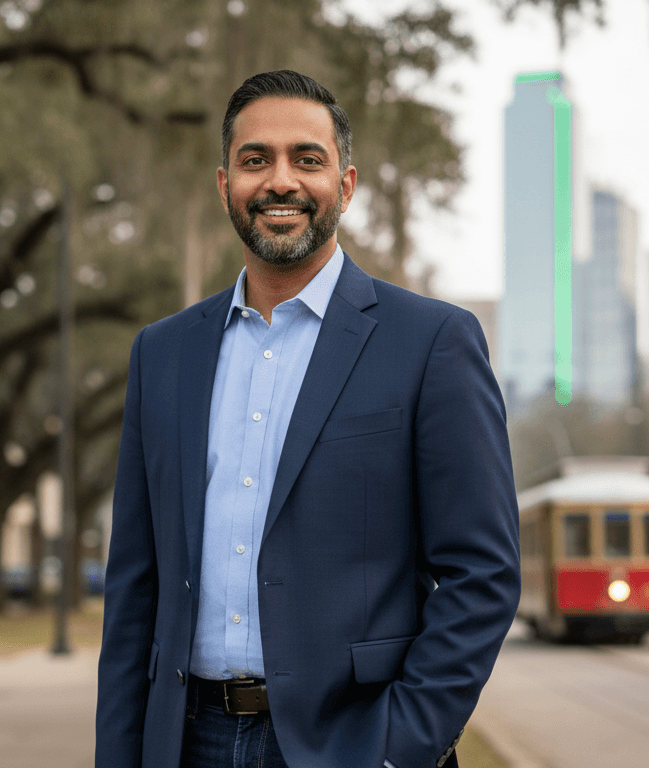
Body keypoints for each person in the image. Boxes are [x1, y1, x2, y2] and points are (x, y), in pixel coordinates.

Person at [96, 69, 520, 768]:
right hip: (184, 742)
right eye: (255, 160)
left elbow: (484, 573)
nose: (280, 181)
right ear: (224, 183)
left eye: (307, 159)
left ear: (345, 186)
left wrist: (398, 745)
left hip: (349, 743)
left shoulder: (431, 342)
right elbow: (133, 586)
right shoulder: (163, 353)